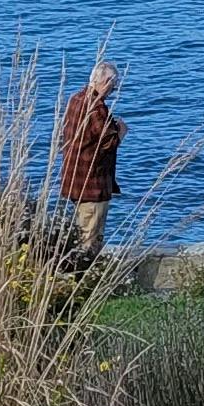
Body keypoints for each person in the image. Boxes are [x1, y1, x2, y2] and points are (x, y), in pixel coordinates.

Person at [59, 57, 125, 259]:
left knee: (79, 232)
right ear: (105, 83)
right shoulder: (97, 108)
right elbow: (108, 143)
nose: (113, 90)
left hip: (74, 181)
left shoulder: (76, 99)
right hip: (93, 184)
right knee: (90, 238)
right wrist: (121, 131)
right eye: (113, 85)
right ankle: (85, 276)